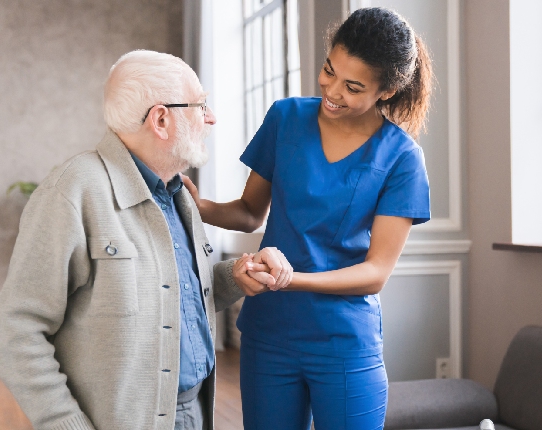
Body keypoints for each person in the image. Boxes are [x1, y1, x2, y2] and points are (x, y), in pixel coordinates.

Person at [0, 50, 288, 430]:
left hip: (195, 410)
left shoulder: (179, 194)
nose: (211, 117)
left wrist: (235, 276)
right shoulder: (72, 192)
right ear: (161, 119)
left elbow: (171, 293)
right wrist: (67, 424)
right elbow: (15, 330)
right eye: (201, 105)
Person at [185, 7, 433, 430]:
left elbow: (375, 272)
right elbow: (249, 213)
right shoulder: (285, 117)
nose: (332, 91)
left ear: (386, 92)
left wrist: (287, 279)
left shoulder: (402, 158)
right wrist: (196, 205)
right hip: (269, 334)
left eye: (353, 86)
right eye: (328, 70)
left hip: (344, 340)